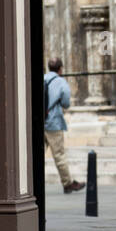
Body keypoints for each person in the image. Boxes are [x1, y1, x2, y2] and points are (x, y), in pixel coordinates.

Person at [44, 59, 85, 194]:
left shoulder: (43, 79)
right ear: (60, 69)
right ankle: (67, 183)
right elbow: (66, 103)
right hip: (53, 122)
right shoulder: (61, 82)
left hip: (40, 123)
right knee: (59, 155)